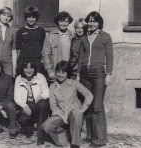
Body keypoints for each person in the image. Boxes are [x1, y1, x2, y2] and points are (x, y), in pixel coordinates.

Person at [76, 11, 113, 147]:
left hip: (98, 73)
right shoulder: (84, 38)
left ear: (99, 23)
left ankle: (99, 140)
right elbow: (80, 57)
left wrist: (108, 74)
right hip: (85, 73)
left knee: (97, 105)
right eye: (89, 21)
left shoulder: (106, 37)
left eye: (94, 21)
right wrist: (78, 74)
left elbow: (109, 56)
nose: (91, 24)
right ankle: (91, 136)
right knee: (89, 105)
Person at [42, 61, 93, 148]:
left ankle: (75, 143)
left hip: (75, 113)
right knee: (46, 126)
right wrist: (62, 116)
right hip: (61, 113)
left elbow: (89, 95)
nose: (60, 75)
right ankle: (65, 135)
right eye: (58, 72)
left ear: (67, 73)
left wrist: (82, 110)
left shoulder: (74, 83)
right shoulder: (53, 86)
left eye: (63, 72)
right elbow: (53, 106)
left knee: (75, 114)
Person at [14, 58, 49, 145]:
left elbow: (47, 92)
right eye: (26, 68)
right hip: (26, 104)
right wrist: (24, 106)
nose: (29, 70)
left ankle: (41, 135)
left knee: (43, 104)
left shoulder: (40, 77)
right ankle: (29, 127)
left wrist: (41, 96)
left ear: (34, 68)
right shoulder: (19, 78)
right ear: (22, 68)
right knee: (22, 119)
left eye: (31, 68)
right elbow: (16, 97)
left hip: (37, 103)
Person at [42, 11, 73, 82]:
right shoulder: (51, 35)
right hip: (55, 72)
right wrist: (49, 70)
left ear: (69, 23)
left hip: (68, 72)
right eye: (61, 21)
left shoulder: (72, 35)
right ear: (57, 21)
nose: (63, 24)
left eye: (66, 21)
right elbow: (45, 54)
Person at [16, 6, 46, 75]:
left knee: (38, 77)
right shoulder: (21, 30)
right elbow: (18, 48)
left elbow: (43, 47)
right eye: (29, 17)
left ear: (36, 18)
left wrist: (42, 60)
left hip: (37, 58)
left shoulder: (41, 30)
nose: (31, 19)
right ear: (26, 18)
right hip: (24, 59)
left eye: (33, 17)